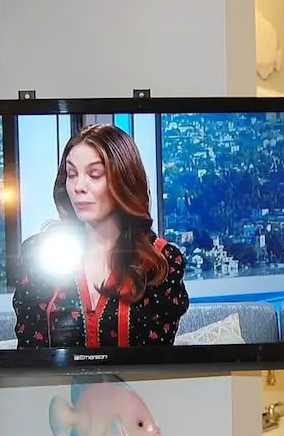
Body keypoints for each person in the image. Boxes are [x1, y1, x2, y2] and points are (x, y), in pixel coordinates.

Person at [12, 123, 190, 348]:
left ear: (124, 180)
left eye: (94, 174)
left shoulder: (162, 261)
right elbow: (30, 354)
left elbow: (157, 359)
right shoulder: (38, 254)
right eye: (72, 174)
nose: (78, 186)